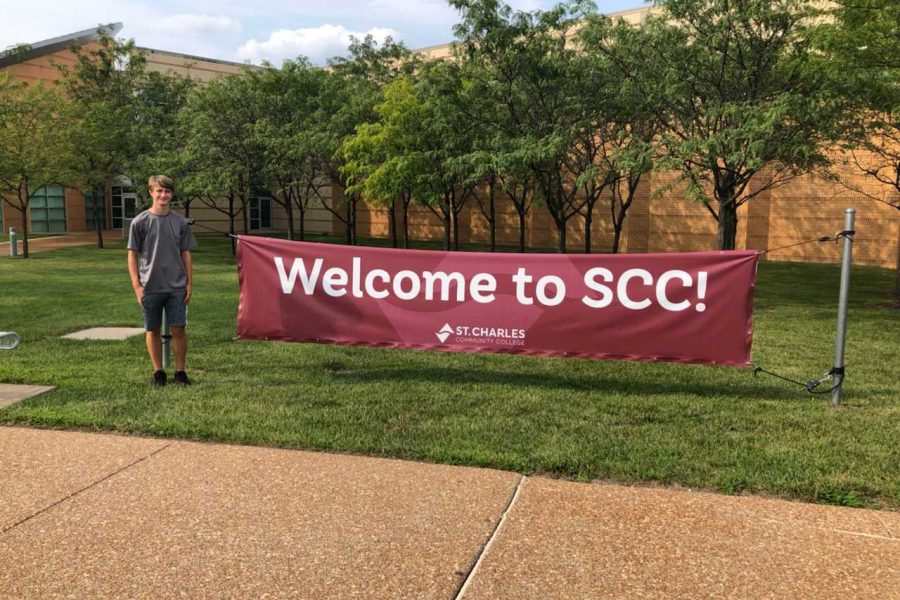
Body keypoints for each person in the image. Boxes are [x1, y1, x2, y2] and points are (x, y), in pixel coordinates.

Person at [127, 175, 197, 386]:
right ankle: (158, 372)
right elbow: (132, 254)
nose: (163, 195)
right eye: (159, 191)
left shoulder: (179, 222)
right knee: (153, 329)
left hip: (176, 286)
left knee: (179, 329)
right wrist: (137, 285)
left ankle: (180, 372)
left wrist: (189, 283)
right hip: (151, 286)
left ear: (171, 194)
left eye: (167, 191)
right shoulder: (139, 222)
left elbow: (186, 254)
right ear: (151, 192)